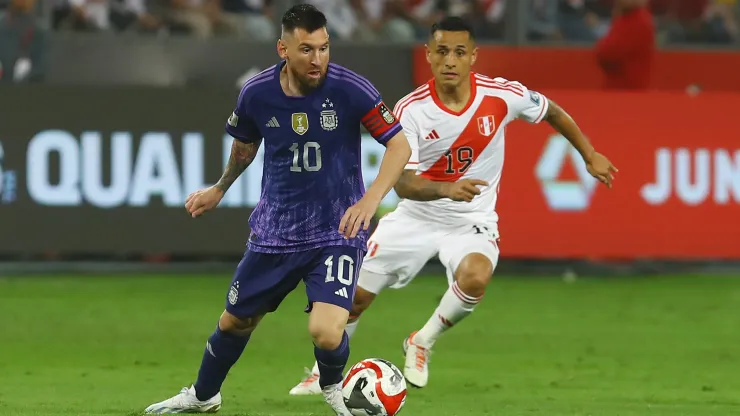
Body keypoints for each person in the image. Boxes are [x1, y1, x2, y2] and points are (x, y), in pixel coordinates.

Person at [289, 16, 618, 394]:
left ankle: (421, 342)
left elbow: (553, 112)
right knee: (354, 300)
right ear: (429, 55)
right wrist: (447, 189)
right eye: (442, 51)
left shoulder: (501, 96)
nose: (450, 60)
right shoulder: (411, 110)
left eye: (459, 52)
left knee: (476, 276)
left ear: (473, 57)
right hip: (415, 217)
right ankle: (322, 371)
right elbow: (405, 184)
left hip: (471, 220)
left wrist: (589, 155)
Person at [144, 4, 411, 415]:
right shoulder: (257, 93)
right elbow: (244, 146)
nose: (317, 59)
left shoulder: (350, 89)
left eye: (324, 48)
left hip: (337, 229)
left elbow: (399, 144)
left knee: (325, 331)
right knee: (235, 322)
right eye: (306, 49)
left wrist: (370, 199)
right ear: (283, 49)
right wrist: (219, 188)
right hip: (276, 231)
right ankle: (203, 396)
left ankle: (335, 392)